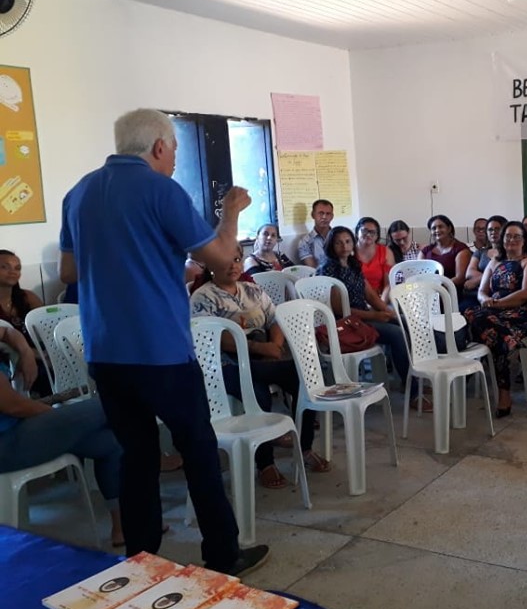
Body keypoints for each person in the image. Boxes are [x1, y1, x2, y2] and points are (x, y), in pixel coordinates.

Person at [59, 108, 266, 576]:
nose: (174, 159)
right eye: (173, 150)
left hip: (105, 351)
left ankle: (142, 558)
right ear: (158, 146)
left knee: (138, 454)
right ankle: (222, 553)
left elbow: (70, 273)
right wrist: (230, 213)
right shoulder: (160, 189)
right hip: (160, 351)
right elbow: (218, 261)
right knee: (196, 447)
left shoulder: (79, 193)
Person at [190, 246, 325, 488]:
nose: (233, 266)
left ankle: (303, 447)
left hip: (262, 358)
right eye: (226, 262)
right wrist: (260, 349)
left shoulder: (251, 289)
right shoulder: (203, 297)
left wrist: (274, 344)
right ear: (211, 266)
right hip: (224, 365)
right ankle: (265, 464)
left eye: (237, 260)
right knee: (257, 392)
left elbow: (274, 319)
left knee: (305, 378)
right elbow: (214, 338)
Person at [0, 323, 124, 547]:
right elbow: (12, 406)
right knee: (110, 404)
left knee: (110, 443)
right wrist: (58, 417)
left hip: (16, 428)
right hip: (6, 442)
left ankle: (122, 524)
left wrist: (26, 351)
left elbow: (6, 331)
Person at [464, 221, 527, 418]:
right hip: (494, 314)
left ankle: (504, 393)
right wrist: (485, 300)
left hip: (522, 313)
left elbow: (526, 293)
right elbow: (481, 292)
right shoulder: (494, 262)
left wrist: (495, 304)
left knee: (483, 322)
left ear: (524, 240)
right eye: (508, 236)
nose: (512, 240)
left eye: (517, 236)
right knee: (471, 315)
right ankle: (509, 341)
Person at [322, 227, 411, 395]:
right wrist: (375, 315)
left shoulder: (353, 265)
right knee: (396, 334)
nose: (344, 246)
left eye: (348, 241)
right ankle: (412, 389)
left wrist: (388, 311)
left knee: (404, 322)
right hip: (345, 324)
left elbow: (370, 295)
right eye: (338, 242)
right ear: (331, 245)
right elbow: (339, 309)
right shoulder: (329, 268)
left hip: (362, 317)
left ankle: (412, 376)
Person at [463, 215, 506, 309]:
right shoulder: (481, 252)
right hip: (475, 294)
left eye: (497, 229)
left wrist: (476, 280)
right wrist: (490, 276)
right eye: (490, 230)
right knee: (462, 309)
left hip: (497, 295)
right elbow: (469, 273)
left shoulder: (509, 253)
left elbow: (504, 275)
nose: (493, 232)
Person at [0, 250, 43, 343]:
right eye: (4, 267)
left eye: (17, 268)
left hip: (39, 351)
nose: (13, 272)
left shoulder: (28, 297)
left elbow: (46, 324)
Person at [419, 214, 470, 289]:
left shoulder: (461, 249)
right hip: (428, 291)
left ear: (449, 229)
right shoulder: (425, 251)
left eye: (440, 227)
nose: (437, 230)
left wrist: (438, 287)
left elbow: (460, 278)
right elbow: (419, 274)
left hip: (452, 292)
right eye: (433, 228)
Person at [354, 217, 394, 300]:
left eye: (372, 232)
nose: (368, 235)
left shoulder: (386, 252)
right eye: (364, 231)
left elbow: (389, 284)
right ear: (357, 232)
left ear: (377, 236)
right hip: (355, 299)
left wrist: (381, 305)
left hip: (380, 298)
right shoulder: (348, 251)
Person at [297, 199, 334, 270]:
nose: (324, 217)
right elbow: (313, 269)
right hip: (320, 278)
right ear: (313, 215)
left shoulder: (339, 237)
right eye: (321, 213)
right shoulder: (305, 242)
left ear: (332, 216)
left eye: (328, 214)